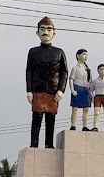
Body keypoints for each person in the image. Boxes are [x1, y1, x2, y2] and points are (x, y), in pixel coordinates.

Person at [25, 16, 68, 149]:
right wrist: (29, 90)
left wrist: (61, 90)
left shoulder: (59, 52)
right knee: (36, 118)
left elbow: (64, 72)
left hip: (53, 91)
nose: (45, 32)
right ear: (37, 33)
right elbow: (29, 71)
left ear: (53, 34)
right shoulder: (33, 52)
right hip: (38, 89)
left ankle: (49, 144)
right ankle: (34, 144)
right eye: (42, 29)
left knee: (50, 118)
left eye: (49, 29)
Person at [69, 49, 93, 131]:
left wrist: (91, 93)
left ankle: (85, 125)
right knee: (75, 108)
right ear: (78, 55)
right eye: (83, 54)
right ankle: (73, 125)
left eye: (86, 55)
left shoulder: (88, 69)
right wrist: (72, 89)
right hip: (77, 87)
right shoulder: (75, 68)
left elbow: (90, 82)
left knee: (86, 109)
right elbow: (71, 79)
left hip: (86, 89)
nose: (85, 56)